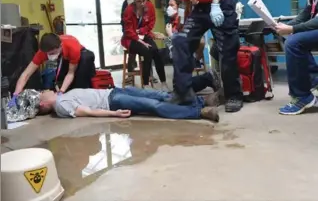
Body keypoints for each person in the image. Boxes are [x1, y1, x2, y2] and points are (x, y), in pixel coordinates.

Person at [153, 0, 243, 112]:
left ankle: (233, 95)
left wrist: (216, 4)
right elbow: (185, 1)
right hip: (201, 7)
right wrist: (182, 23)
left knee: (226, 49)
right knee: (180, 41)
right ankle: (183, 92)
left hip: (223, 1)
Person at [274, 0, 318, 115]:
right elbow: (309, 11)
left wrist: (292, 30)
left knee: (294, 41)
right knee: (291, 37)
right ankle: (314, 77)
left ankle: (302, 97)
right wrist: (288, 25)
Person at [8, 33, 95, 107]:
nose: (50, 56)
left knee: (81, 73)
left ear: (60, 47)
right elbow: (26, 74)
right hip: (64, 57)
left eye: (52, 53)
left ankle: (85, 101)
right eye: (48, 54)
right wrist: (15, 94)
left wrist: (61, 92)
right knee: (60, 81)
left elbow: (70, 73)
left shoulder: (72, 47)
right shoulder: (42, 53)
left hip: (82, 55)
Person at [38, 87, 220, 122]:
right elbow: (87, 111)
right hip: (112, 102)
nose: (43, 90)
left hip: (114, 91)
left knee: (158, 94)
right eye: (41, 94)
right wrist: (114, 114)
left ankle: (202, 100)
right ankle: (200, 112)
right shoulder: (61, 105)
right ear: (44, 104)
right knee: (153, 105)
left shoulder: (62, 96)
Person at [121, 0, 169, 90]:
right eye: (139, 1)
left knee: (156, 52)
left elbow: (151, 23)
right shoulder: (128, 10)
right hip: (130, 38)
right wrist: (139, 39)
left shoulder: (149, 6)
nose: (142, 3)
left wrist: (142, 31)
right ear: (134, 0)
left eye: (144, 0)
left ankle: (164, 82)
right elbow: (128, 30)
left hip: (144, 35)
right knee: (147, 52)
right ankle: (146, 84)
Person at [121, 0, 158, 83]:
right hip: (131, 34)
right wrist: (131, 33)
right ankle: (130, 75)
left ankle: (149, 75)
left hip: (142, 33)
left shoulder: (146, 2)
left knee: (148, 50)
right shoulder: (127, 3)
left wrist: (143, 31)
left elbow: (149, 20)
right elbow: (124, 20)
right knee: (132, 52)